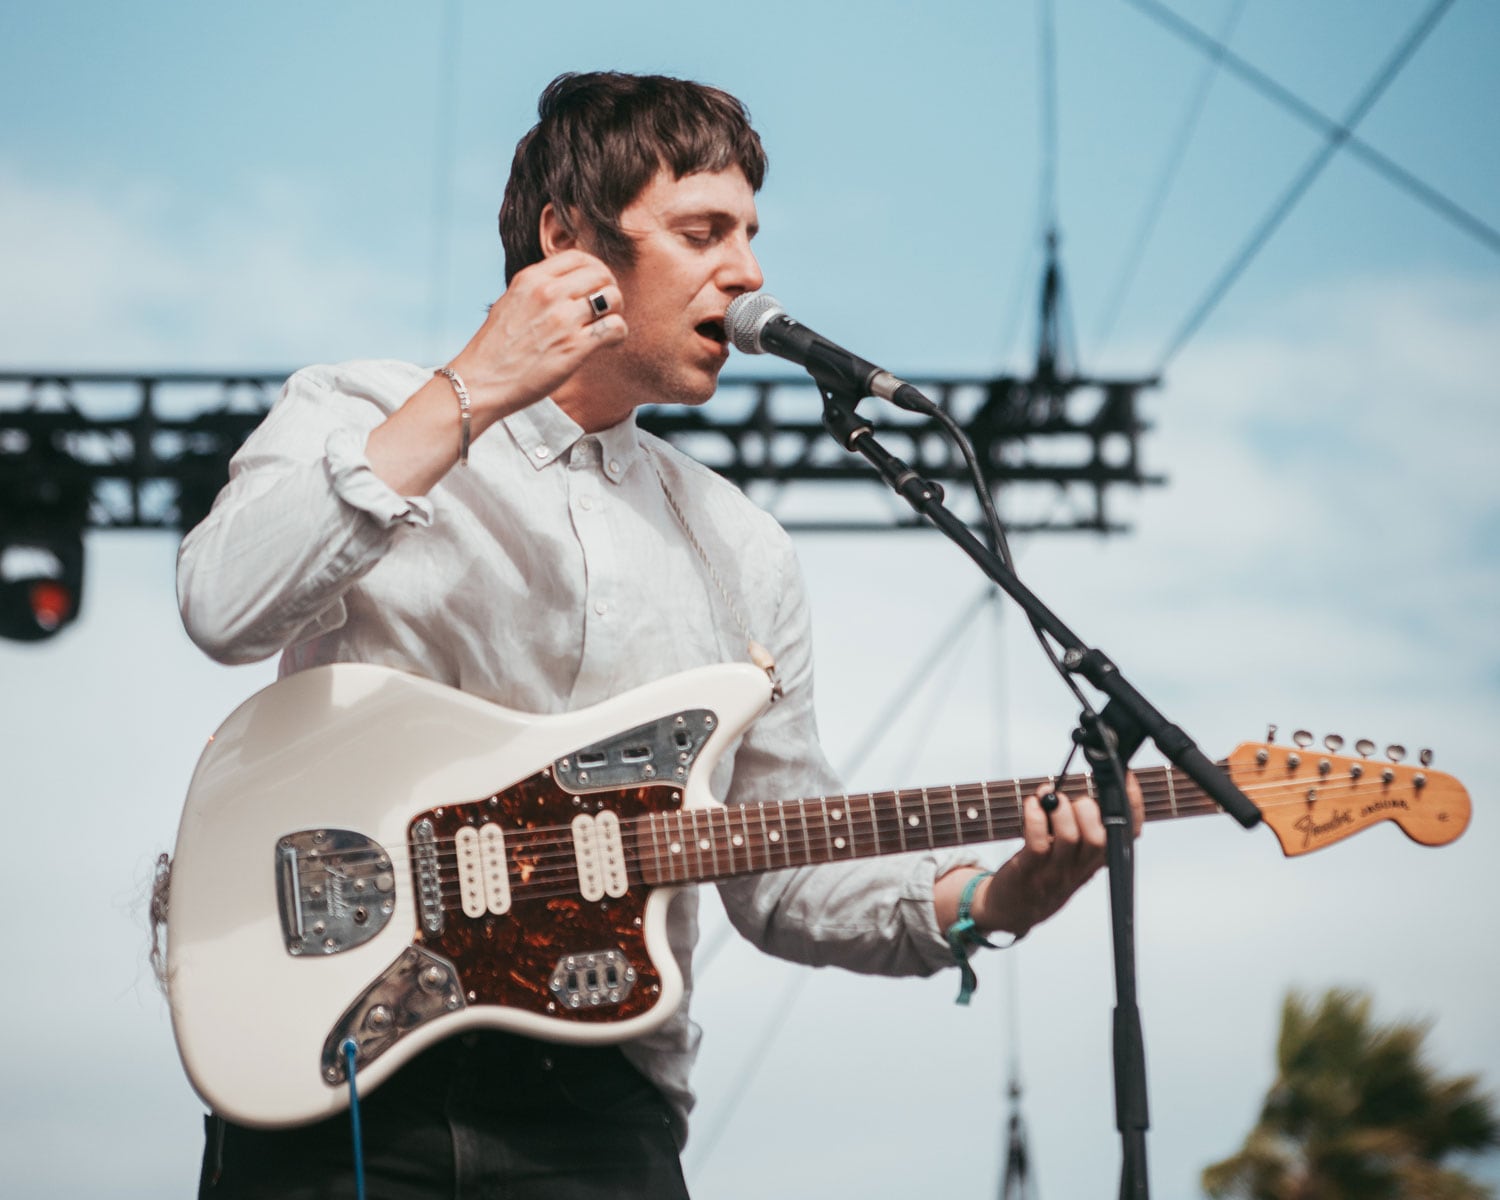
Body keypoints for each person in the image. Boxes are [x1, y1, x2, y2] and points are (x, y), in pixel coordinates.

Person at [176, 71, 1141, 1200]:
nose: (748, 272)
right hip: (338, 1076)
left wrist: (996, 900)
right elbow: (223, 606)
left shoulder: (744, 548)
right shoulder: (359, 409)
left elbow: (781, 882)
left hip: (600, 1115)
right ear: (567, 241)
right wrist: (475, 387)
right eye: (703, 231)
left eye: (750, 234)